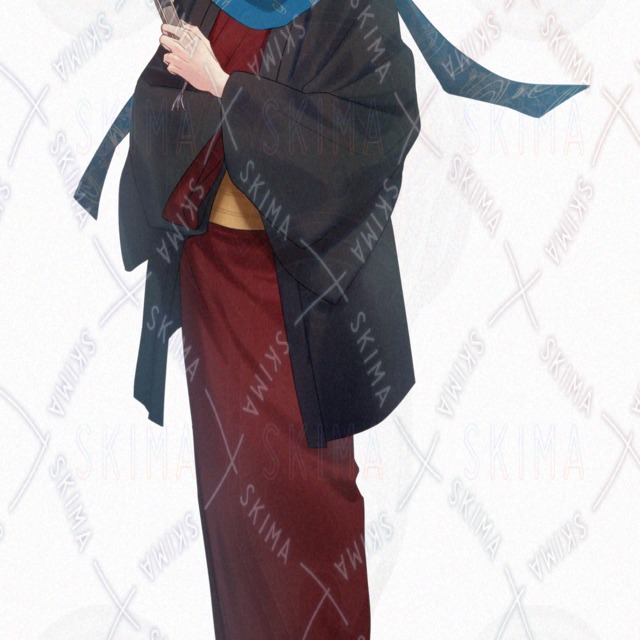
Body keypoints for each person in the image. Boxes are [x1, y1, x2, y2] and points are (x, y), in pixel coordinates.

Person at [73, 0, 587, 636]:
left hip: (301, 291)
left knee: (308, 500)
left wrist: (228, 89)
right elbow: (167, 95)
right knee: (231, 502)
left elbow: (373, 130)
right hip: (215, 277)